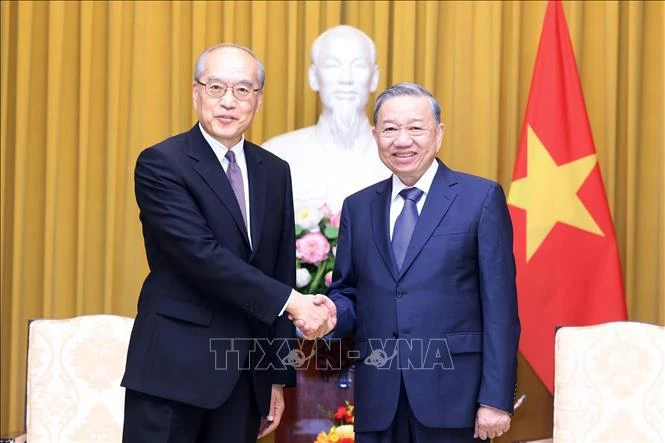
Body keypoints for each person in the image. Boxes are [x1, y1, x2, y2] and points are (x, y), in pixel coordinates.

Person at [121, 43, 333, 443]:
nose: (228, 102)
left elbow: (277, 266)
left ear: (258, 99)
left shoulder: (273, 171)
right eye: (216, 87)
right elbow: (201, 256)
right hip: (173, 372)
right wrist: (295, 302)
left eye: (242, 90)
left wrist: (275, 378)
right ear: (196, 92)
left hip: (244, 377)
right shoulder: (162, 163)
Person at [318, 82, 521, 442]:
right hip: (380, 401)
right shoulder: (358, 207)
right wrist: (328, 313)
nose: (401, 140)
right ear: (375, 135)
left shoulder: (480, 199)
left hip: (455, 399)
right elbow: (349, 291)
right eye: (390, 129)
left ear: (438, 134)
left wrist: (495, 399)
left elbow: (500, 308)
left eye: (415, 128)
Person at [263, 25, 390, 212]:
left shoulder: (401, 157)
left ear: (374, 78)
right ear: (313, 76)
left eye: (358, 66)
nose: (346, 79)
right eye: (332, 65)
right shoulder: (276, 155)